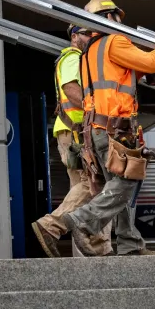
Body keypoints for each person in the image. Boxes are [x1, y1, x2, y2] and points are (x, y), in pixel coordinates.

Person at [61, 0, 155, 256]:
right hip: (115, 130)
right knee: (126, 183)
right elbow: (152, 61)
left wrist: (142, 75)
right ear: (110, 17)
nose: (120, 22)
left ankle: (130, 244)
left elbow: (117, 76)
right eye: (117, 18)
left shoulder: (89, 52)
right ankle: (83, 220)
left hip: (97, 130)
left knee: (117, 185)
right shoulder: (114, 40)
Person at [31, 25, 114, 258]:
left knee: (88, 189)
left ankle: (97, 247)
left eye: (93, 34)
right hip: (77, 133)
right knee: (94, 184)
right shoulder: (73, 58)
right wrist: (100, 110)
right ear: (74, 36)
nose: (91, 38)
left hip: (75, 132)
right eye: (87, 34)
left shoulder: (80, 59)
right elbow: (70, 89)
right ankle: (51, 225)